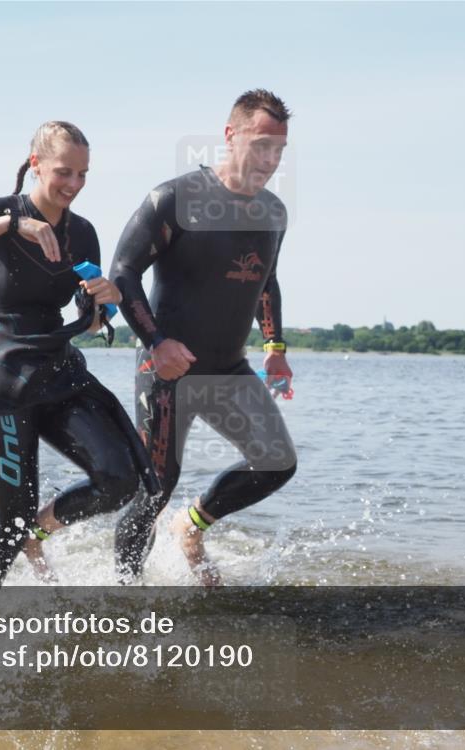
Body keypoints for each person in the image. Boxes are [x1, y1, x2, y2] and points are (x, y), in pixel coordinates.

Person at [0, 121, 159, 589]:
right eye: (64, 172)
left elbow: (88, 323)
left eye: (83, 175)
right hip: (0, 381)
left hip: (57, 371)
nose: (74, 185)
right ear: (36, 166)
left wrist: (102, 302)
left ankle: (39, 534)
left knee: (119, 479)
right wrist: (14, 223)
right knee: (9, 522)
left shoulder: (83, 233)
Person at [110, 89, 298, 585]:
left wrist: (275, 348)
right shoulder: (176, 199)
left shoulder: (273, 214)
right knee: (155, 488)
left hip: (228, 368)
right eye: (261, 144)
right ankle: (126, 596)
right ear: (231, 135)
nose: (271, 159)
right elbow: (124, 271)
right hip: (167, 369)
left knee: (277, 462)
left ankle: (190, 528)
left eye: (279, 149)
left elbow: (265, 281)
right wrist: (157, 343)